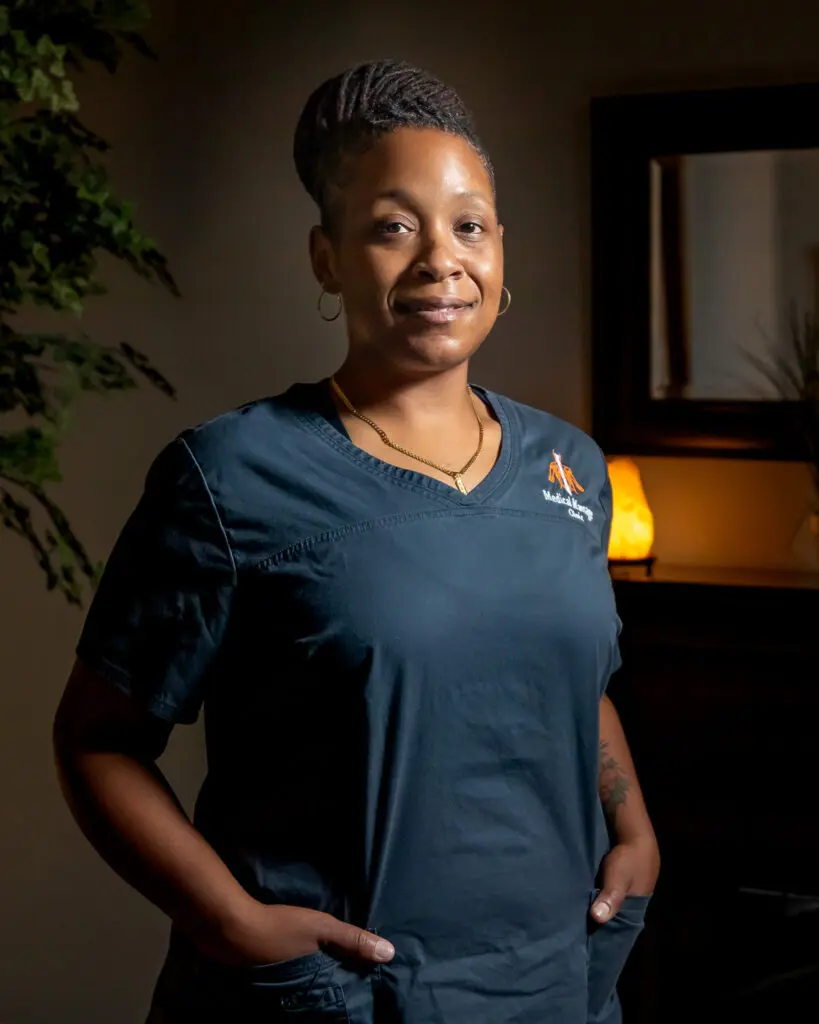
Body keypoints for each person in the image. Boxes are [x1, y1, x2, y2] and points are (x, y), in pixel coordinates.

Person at [53, 59, 660, 1024]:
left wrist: (631, 826)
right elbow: (97, 743)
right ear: (326, 259)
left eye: (468, 225)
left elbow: (563, 681)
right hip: (335, 999)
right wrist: (229, 922)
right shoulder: (230, 473)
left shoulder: (570, 467)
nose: (439, 259)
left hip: (551, 985)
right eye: (391, 227)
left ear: (502, 252)